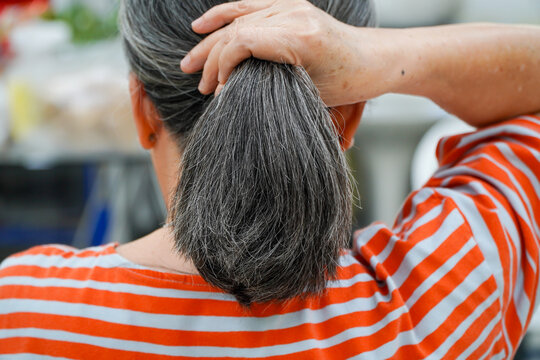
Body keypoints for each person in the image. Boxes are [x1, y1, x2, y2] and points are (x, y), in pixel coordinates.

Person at [0, 0, 539, 358]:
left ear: (141, 111)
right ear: (349, 117)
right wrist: (382, 55)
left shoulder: (27, 313)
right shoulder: (443, 301)